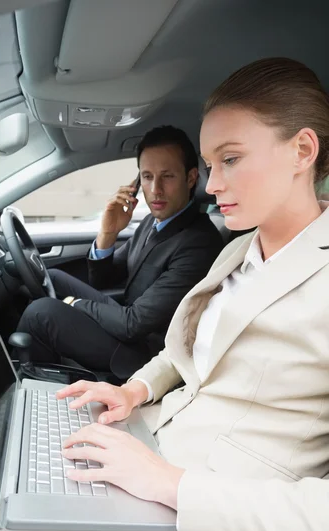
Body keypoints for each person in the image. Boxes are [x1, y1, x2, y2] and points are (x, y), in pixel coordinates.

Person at [0, 56, 329, 531]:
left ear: (302, 151)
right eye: (212, 164)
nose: (212, 186)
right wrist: (133, 390)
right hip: (149, 456)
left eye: (231, 159)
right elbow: (184, 352)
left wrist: (171, 485)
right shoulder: (241, 249)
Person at [16, 125, 223, 379]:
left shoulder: (199, 242)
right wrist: (108, 233)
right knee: (54, 278)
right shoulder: (152, 222)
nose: (155, 189)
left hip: (144, 354)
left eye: (167, 176)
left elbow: (133, 324)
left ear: (191, 178)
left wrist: (74, 304)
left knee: (41, 314)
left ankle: (30, 383)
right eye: (147, 177)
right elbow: (105, 280)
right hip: (128, 323)